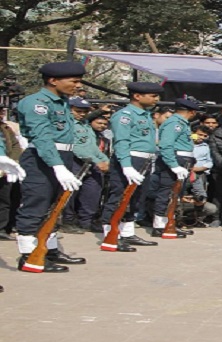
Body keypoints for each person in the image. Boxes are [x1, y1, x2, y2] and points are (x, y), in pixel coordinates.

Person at [15, 62, 87, 273]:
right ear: (53, 80)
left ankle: (50, 250)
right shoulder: (36, 103)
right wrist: (57, 166)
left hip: (62, 156)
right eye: (73, 81)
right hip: (41, 157)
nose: (77, 85)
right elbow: (42, 137)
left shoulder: (62, 102)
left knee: (55, 206)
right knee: (36, 205)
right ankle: (29, 256)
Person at [100, 82, 164, 251]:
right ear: (137, 96)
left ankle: (127, 233)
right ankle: (110, 234)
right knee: (119, 197)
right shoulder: (125, 115)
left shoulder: (145, 115)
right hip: (129, 159)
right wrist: (126, 166)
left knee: (136, 199)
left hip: (144, 160)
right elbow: (121, 142)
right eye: (153, 96)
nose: (156, 99)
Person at [151, 98, 201, 238]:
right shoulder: (175, 123)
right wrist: (174, 166)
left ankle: (169, 222)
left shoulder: (181, 123)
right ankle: (159, 225)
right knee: (166, 194)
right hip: (175, 160)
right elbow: (166, 146)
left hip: (183, 160)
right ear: (191, 112)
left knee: (175, 195)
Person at [61, 97, 110, 233]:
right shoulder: (66, 123)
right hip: (75, 161)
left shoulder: (85, 125)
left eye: (84, 111)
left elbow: (92, 147)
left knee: (92, 192)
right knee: (70, 194)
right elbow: (76, 147)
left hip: (91, 161)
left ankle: (86, 221)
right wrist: (97, 161)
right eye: (78, 111)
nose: (82, 114)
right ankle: (67, 221)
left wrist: (105, 160)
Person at [0, 108, 22, 241]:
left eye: (1, 111)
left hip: (6, 168)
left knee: (6, 199)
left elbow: (15, 146)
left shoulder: (6, 128)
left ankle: (3, 228)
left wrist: (12, 161)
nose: (1, 114)